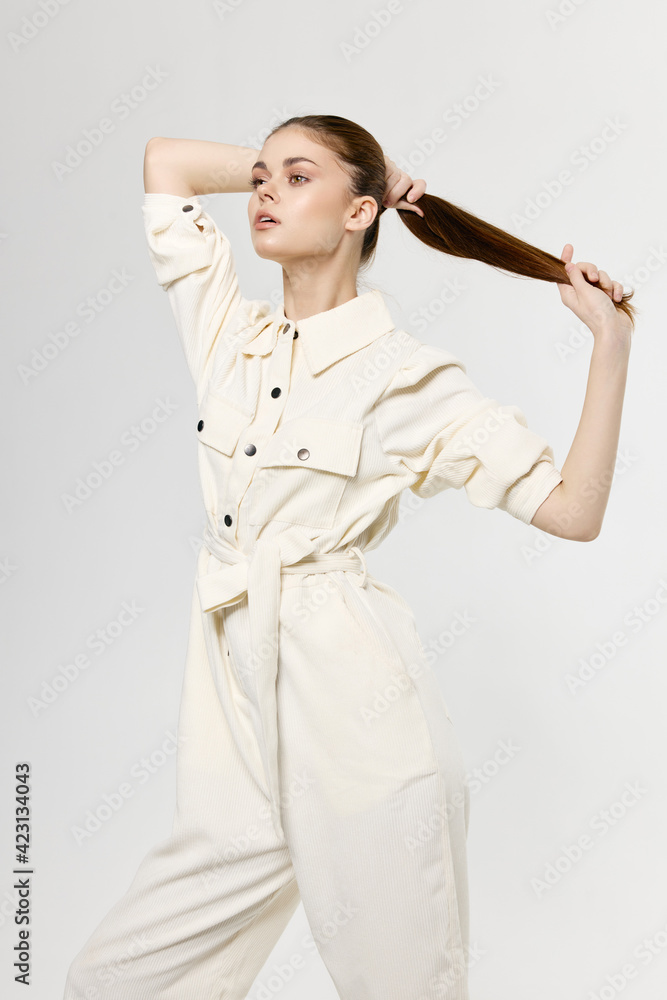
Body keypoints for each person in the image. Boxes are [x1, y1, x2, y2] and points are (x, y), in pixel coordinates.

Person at [62, 114, 636, 1000]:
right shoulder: (229, 337)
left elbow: (571, 512)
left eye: (296, 178)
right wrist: (377, 173)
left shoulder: (406, 376)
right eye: (260, 176)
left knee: (400, 986)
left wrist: (610, 347)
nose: (261, 191)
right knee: (113, 980)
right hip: (236, 711)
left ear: (358, 213)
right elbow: (164, 163)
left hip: (361, 717)